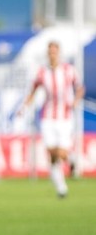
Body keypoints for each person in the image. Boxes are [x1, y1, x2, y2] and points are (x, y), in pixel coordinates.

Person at [17, 41, 84, 198]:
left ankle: (72, 160)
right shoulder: (42, 72)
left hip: (65, 117)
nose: (52, 55)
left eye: (55, 52)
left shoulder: (69, 70)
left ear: (59, 53)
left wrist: (76, 100)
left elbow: (80, 88)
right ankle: (61, 188)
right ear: (48, 54)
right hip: (47, 117)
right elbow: (33, 91)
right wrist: (24, 107)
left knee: (61, 152)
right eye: (50, 52)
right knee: (51, 153)